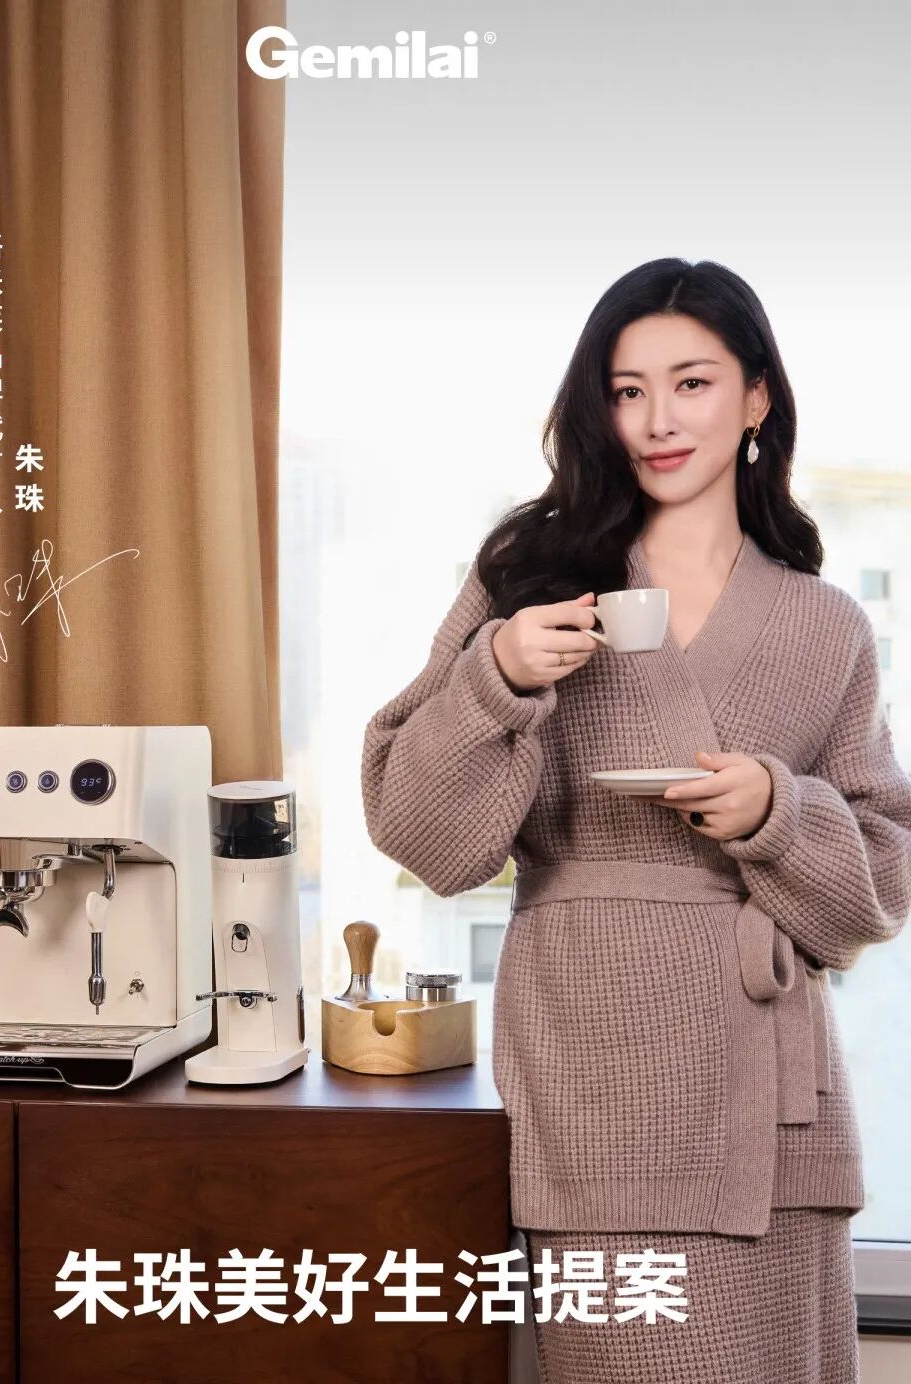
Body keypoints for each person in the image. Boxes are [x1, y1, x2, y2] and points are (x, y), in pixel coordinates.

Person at [360, 257, 911, 1383]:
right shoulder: (528, 579)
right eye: (626, 390)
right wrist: (497, 676)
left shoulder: (826, 625)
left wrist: (777, 810)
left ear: (756, 398)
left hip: (773, 1113)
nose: (658, 420)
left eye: (692, 383)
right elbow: (424, 837)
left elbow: (882, 885)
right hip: (594, 1091)